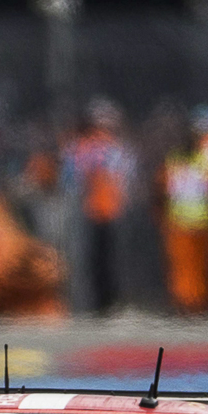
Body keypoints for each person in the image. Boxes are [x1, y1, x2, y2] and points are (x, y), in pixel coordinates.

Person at [156, 106, 208, 313]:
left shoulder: (176, 162)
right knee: (190, 267)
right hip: (193, 223)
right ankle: (193, 304)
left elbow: (161, 192)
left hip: (192, 223)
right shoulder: (198, 162)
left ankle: (195, 304)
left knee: (194, 267)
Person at [64, 98, 135, 313]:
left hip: (103, 210)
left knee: (102, 260)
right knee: (98, 261)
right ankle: (100, 303)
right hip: (94, 210)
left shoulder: (100, 145)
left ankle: (105, 303)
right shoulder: (93, 145)